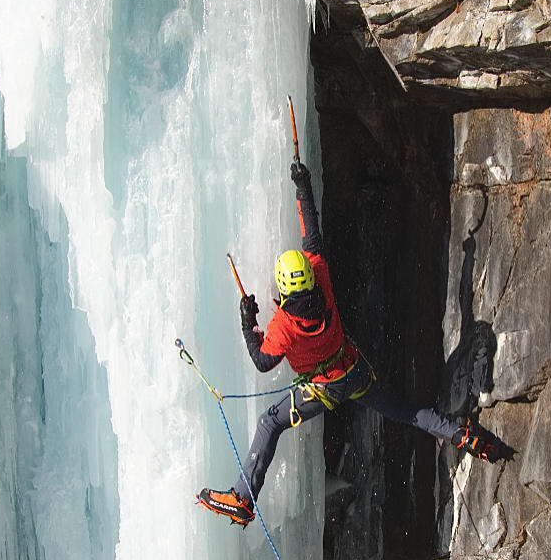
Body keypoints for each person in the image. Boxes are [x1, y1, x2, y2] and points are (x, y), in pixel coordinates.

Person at [197, 162, 495, 527]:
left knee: (269, 423)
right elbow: (313, 238)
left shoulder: (284, 326)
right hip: (354, 371)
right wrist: (303, 185)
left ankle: (243, 499)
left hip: (323, 390)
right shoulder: (321, 279)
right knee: (401, 410)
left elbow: (262, 359)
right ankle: (458, 433)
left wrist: (247, 323)